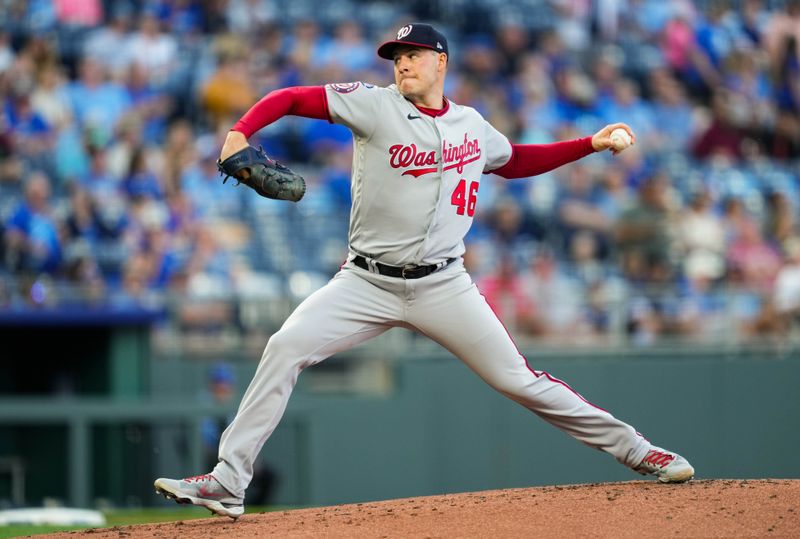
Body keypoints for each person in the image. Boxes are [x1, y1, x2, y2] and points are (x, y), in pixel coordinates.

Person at [155, 23, 694, 519]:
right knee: (286, 346)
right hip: (365, 281)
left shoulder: (470, 124)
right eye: (397, 57)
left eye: (413, 55)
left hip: (443, 284)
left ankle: (638, 450)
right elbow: (294, 97)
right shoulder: (373, 106)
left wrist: (590, 144)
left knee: (521, 382)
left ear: (441, 62)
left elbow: (516, 161)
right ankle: (229, 481)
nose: (402, 64)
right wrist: (241, 131)